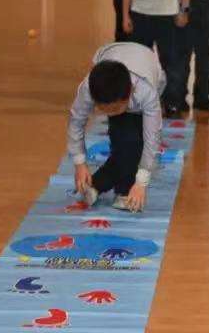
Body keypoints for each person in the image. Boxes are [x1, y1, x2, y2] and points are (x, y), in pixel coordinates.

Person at [68, 42, 166, 212]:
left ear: (129, 93)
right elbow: (76, 122)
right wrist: (79, 163)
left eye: (114, 109)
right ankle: (109, 187)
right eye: (103, 109)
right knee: (124, 141)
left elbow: (153, 139)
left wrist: (141, 183)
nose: (109, 113)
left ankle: (118, 189)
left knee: (136, 143)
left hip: (148, 67)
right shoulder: (88, 88)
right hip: (110, 55)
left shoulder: (147, 92)